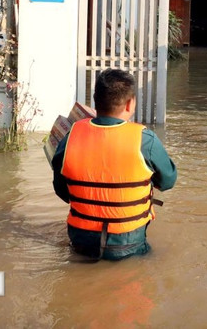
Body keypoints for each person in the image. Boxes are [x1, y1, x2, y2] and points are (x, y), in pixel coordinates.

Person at [51, 69, 177, 260]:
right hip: (129, 242)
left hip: (81, 240)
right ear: (130, 103)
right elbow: (168, 181)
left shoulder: (70, 138)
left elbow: (62, 190)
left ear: (95, 100)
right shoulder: (145, 140)